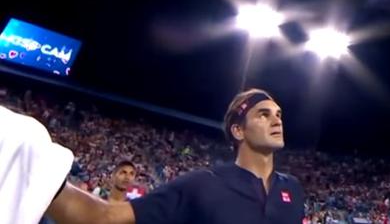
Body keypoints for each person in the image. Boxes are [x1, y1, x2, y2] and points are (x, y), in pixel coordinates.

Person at [7, 88, 304, 224]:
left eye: (278, 115)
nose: (277, 120)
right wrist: (36, 169)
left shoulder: (292, 189)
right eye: (263, 115)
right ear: (238, 131)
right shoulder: (203, 184)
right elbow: (104, 217)